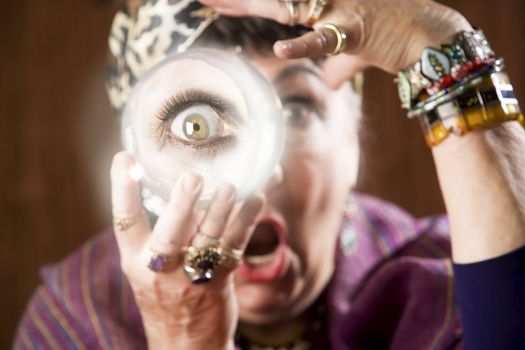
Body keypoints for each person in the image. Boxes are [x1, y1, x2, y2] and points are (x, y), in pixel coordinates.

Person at [14, 0, 525, 349]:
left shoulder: (451, 281)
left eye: (298, 111)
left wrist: (441, 44)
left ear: (353, 140)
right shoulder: (79, 318)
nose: (264, 171)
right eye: (197, 123)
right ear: (143, 163)